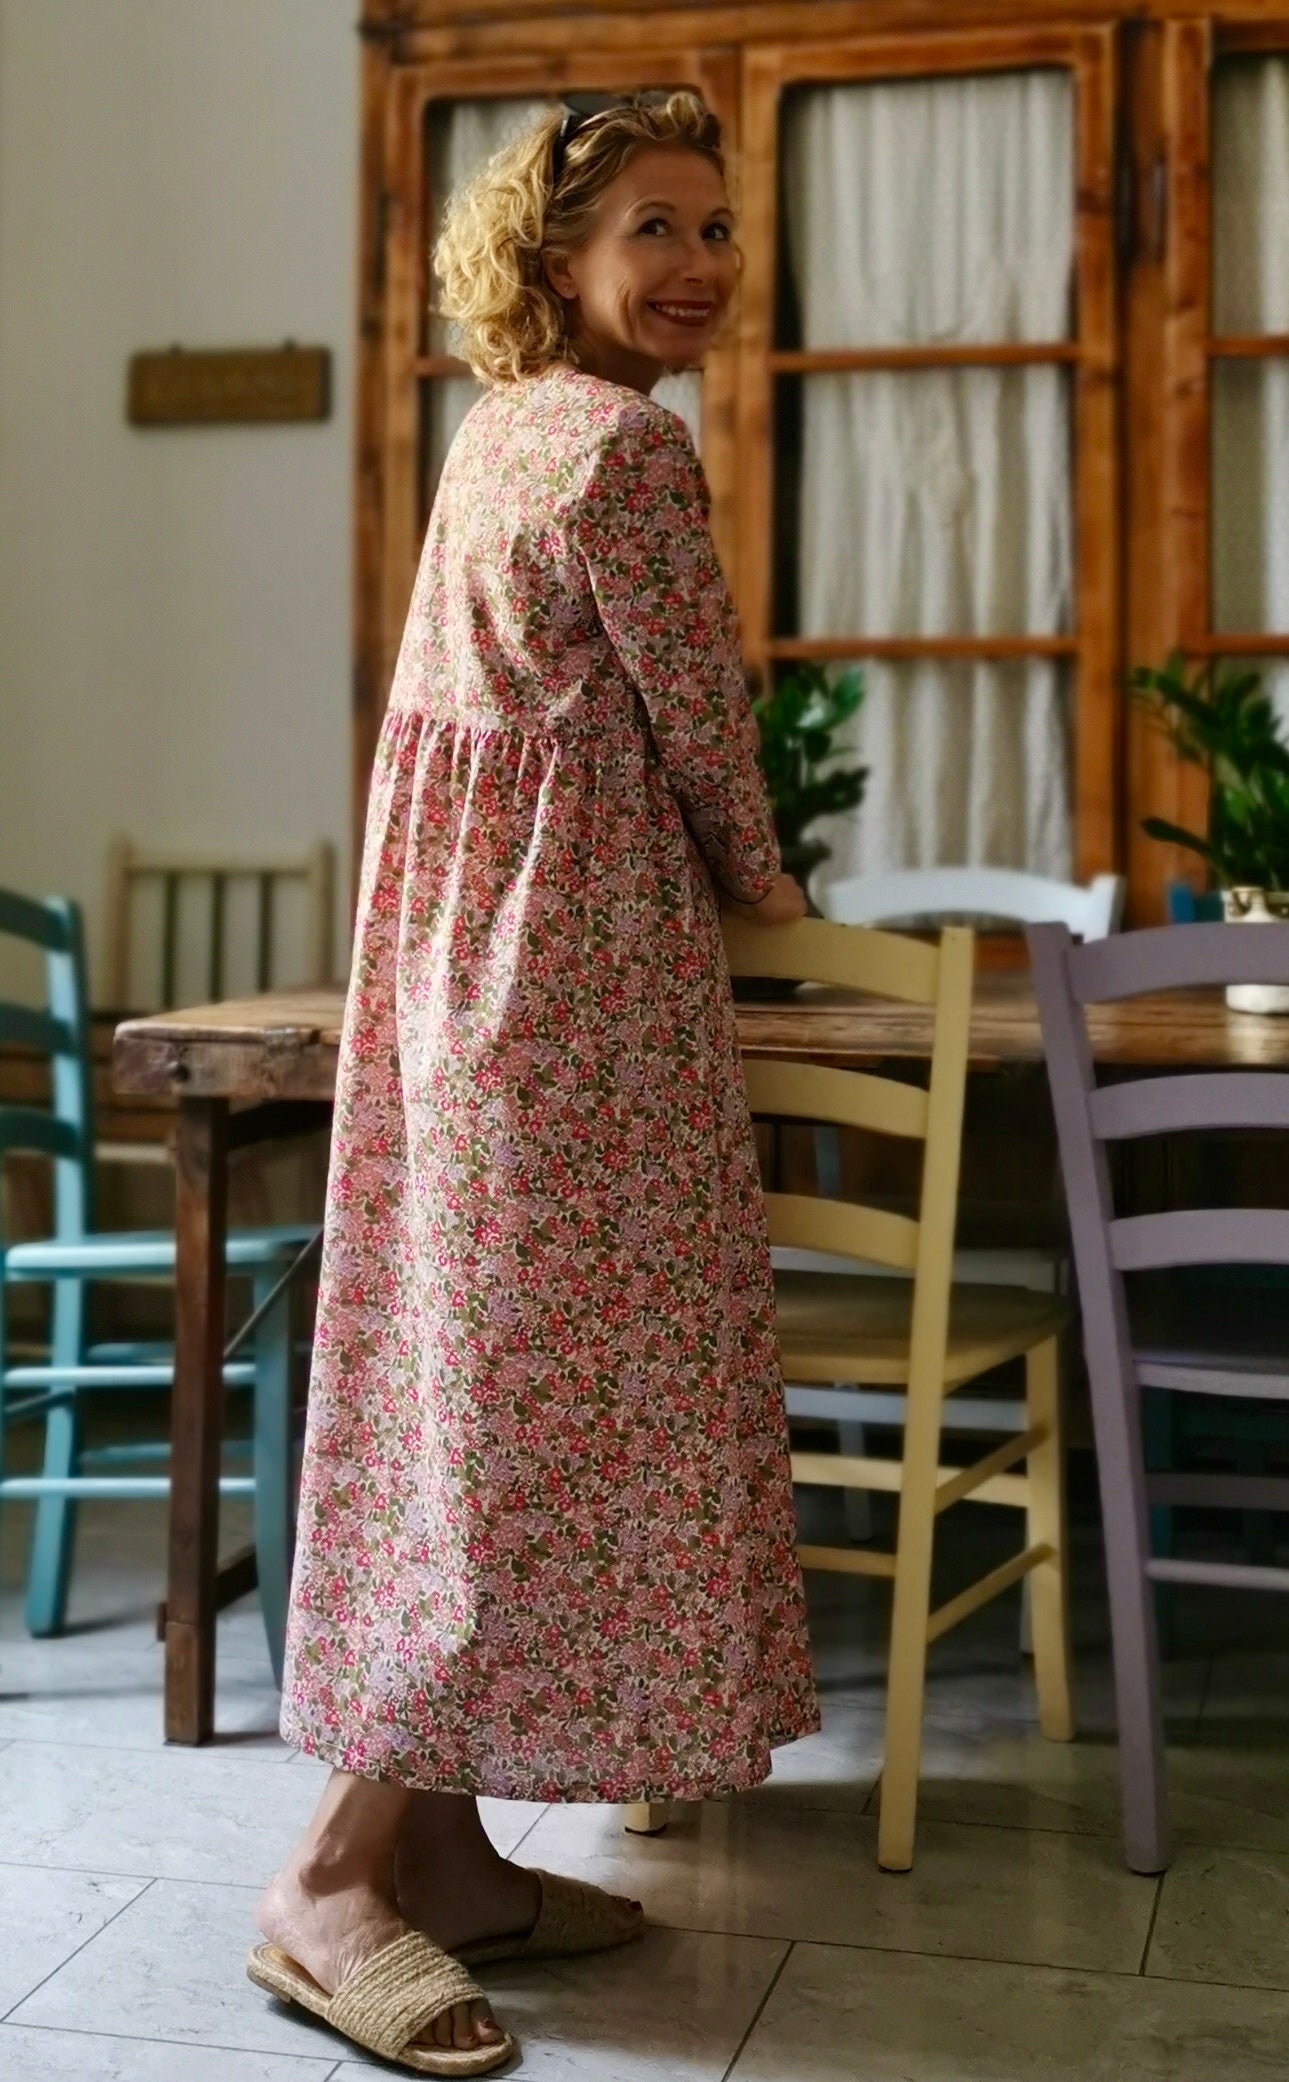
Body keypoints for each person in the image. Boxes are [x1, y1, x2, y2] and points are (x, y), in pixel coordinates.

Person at [250, 89, 819, 2076]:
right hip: (573, 997)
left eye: (720, 227)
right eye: (654, 225)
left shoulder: (497, 434)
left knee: (471, 1404)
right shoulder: (630, 453)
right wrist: (780, 896)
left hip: (457, 975)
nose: (699, 263)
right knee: (503, 1433)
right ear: (557, 259)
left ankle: (461, 1857)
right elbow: (703, 741)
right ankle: (328, 1879)